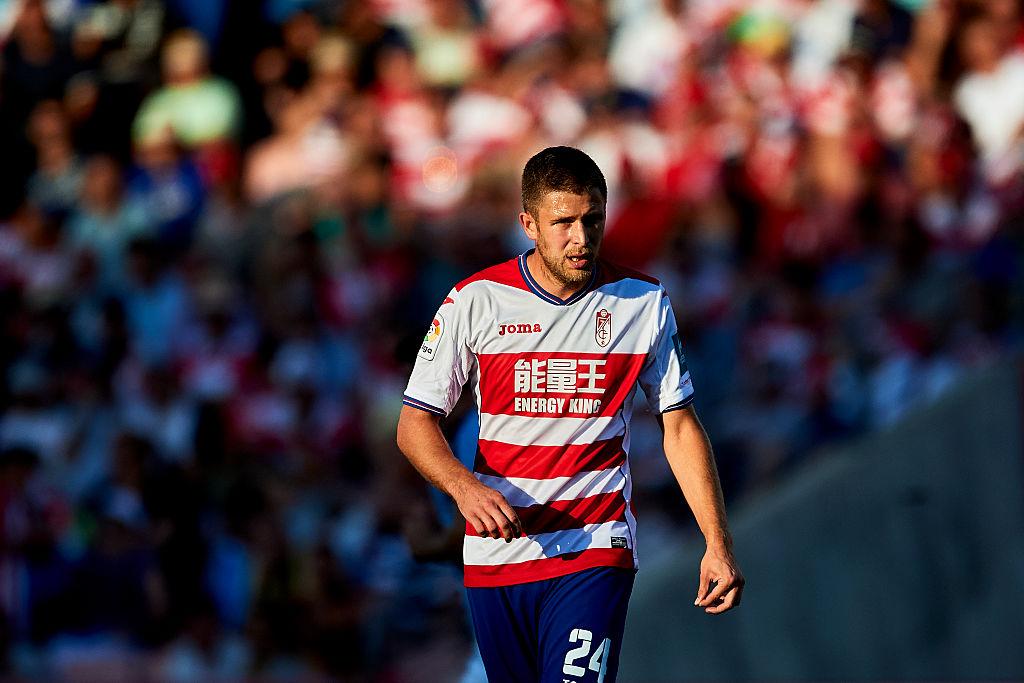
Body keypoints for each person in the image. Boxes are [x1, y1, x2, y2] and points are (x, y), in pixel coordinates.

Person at [396, 146, 743, 683]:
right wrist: (466, 490)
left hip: (595, 546)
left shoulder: (642, 302)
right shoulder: (475, 300)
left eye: (593, 219)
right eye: (564, 223)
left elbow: (679, 426)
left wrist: (717, 544)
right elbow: (414, 423)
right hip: (498, 557)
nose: (581, 237)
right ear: (529, 225)